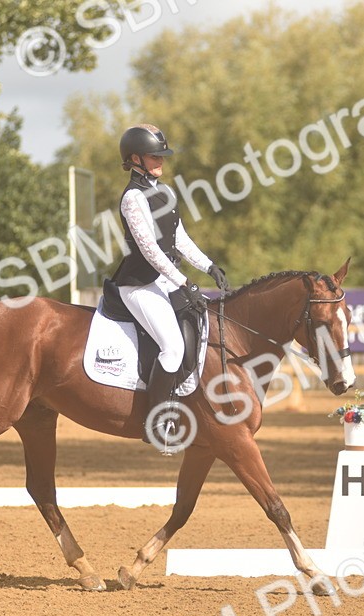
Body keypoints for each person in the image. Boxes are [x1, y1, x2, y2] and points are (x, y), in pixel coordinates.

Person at [111, 124, 231, 446]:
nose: (161, 160)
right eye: (154, 156)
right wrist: (185, 282)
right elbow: (150, 250)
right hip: (138, 285)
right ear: (135, 159)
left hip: (165, 280)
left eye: (162, 155)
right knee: (173, 347)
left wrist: (208, 266)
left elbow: (179, 239)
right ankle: (156, 422)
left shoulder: (165, 192)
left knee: (202, 326)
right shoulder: (133, 198)